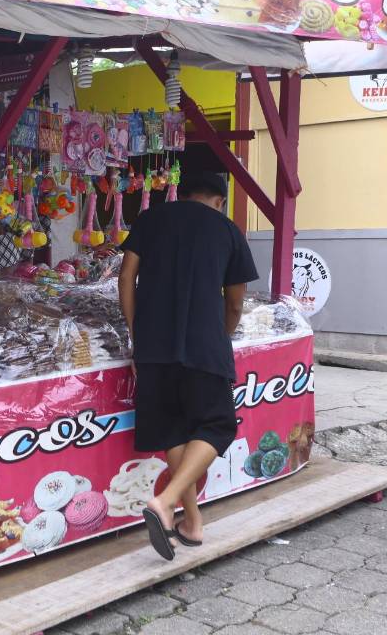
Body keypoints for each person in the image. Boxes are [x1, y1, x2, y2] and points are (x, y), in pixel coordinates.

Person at [117, 170, 258, 559]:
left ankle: (191, 524)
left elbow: (126, 277)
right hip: (203, 347)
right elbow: (234, 302)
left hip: (153, 349)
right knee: (218, 425)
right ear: (219, 201)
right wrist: (221, 335)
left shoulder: (150, 219)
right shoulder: (228, 231)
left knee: (173, 430)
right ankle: (165, 502)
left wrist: (135, 335)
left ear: (185, 193)